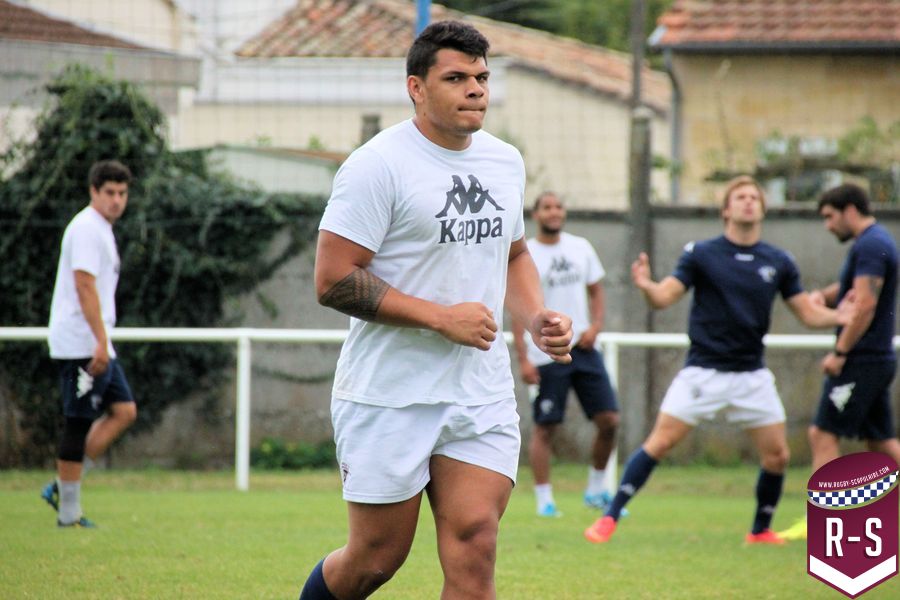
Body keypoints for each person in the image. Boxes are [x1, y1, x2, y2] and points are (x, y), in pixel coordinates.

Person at [299, 21, 573, 600]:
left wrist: (536, 319)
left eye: (482, 77)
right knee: (375, 559)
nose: (475, 89)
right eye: (456, 78)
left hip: (479, 391)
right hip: (389, 392)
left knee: (475, 544)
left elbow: (514, 254)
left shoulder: (504, 161)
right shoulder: (377, 165)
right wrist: (440, 317)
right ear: (416, 88)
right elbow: (332, 279)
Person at [583, 175, 850, 546]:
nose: (748, 202)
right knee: (658, 443)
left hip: (751, 376)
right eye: (740, 197)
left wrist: (841, 316)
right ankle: (609, 517)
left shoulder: (779, 261)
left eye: (754, 197)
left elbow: (806, 312)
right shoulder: (702, 254)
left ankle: (760, 531)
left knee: (777, 456)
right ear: (726, 209)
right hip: (702, 373)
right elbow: (664, 297)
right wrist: (646, 286)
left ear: (762, 209)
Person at [779, 183, 900, 542]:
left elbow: (865, 304)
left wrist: (841, 352)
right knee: (881, 443)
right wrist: (824, 296)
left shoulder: (871, 246)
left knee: (823, 433)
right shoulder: (873, 242)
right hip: (875, 358)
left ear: (849, 210)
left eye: (830, 217)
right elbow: (853, 291)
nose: (828, 225)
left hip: (862, 359)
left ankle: (823, 520)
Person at [41, 160, 137, 528]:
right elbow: (84, 285)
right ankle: (68, 513)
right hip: (81, 342)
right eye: (109, 192)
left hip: (97, 341)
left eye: (122, 193)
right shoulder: (85, 228)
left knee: (124, 410)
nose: (117, 200)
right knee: (77, 422)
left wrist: (102, 341)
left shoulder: (101, 230)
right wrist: (99, 340)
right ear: (93, 191)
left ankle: (61, 484)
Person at [512, 191, 620, 517]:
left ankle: (596, 491)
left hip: (584, 348)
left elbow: (596, 291)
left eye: (558, 206)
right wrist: (523, 358)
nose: (554, 212)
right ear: (536, 215)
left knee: (610, 420)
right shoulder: (526, 253)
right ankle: (545, 500)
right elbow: (518, 308)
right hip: (546, 351)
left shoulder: (580, 247)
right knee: (546, 427)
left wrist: (596, 325)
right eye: (547, 207)